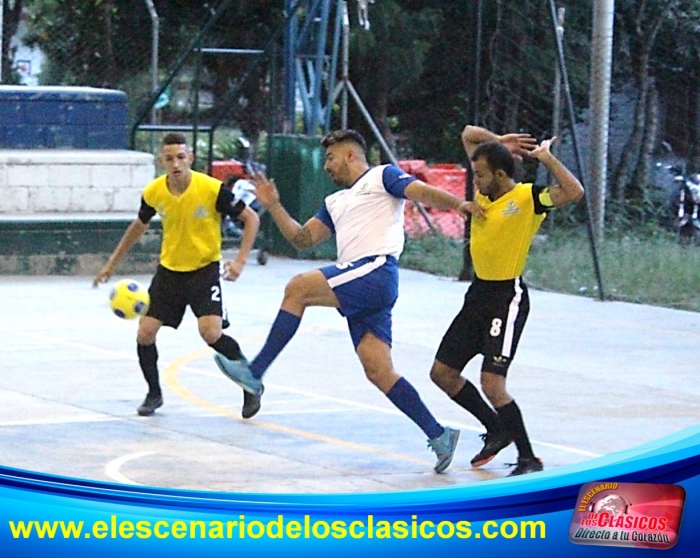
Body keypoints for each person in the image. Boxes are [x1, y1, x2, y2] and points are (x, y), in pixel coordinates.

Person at [214, 129, 475, 473]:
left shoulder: (383, 176)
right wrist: (273, 204)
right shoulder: (335, 202)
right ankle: (439, 434)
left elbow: (419, 191)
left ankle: (255, 372)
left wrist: (459, 203)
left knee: (297, 288)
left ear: (351, 155)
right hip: (361, 284)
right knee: (379, 371)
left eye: (330, 157)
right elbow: (301, 239)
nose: (326, 166)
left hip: (376, 269)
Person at [429, 124, 584, 476]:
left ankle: (529, 458)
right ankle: (497, 429)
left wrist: (546, 158)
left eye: (481, 174)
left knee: (492, 383)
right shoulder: (484, 194)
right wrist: (499, 141)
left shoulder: (529, 199)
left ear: (500, 175)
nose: (476, 180)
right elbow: (468, 133)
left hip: (506, 297)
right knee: (443, 373)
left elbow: (574, 191)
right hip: (477, 295)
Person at [93, 132, 260, 417]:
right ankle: (154, 393)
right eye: (169, 159)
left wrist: (240, 261)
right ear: (162, 162)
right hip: (169, 272)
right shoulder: (155, 191)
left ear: (190, 158)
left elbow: (251, 218)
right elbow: (139, 224)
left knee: (211, 333)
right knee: (145, 333)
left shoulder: (211, 189)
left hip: (204, 271)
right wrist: (111, 263)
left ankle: (250, 383)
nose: (176, 163)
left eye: (181, 157)